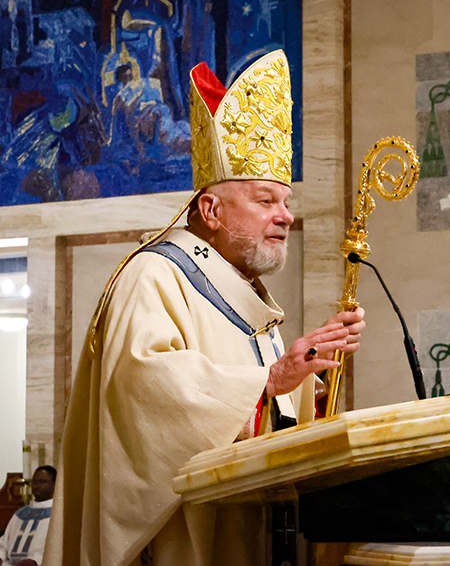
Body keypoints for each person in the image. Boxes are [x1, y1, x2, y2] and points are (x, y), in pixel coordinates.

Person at [43, 50, 365, 566]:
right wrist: (268, 382)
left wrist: (309, 378)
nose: (285, 216)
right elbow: (142, 391)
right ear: (210, 209)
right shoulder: (154, 274)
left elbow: (267, 416)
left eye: (286, 203)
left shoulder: (247, 291)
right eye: (266, 201)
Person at [0, 466, 57, 566]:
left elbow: (57, 549)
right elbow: (4, 543)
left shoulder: (57, 515)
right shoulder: (20, 514)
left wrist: (35, 561)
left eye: (42, 481)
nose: (36, 486)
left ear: (55, 484)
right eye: (34, 482)